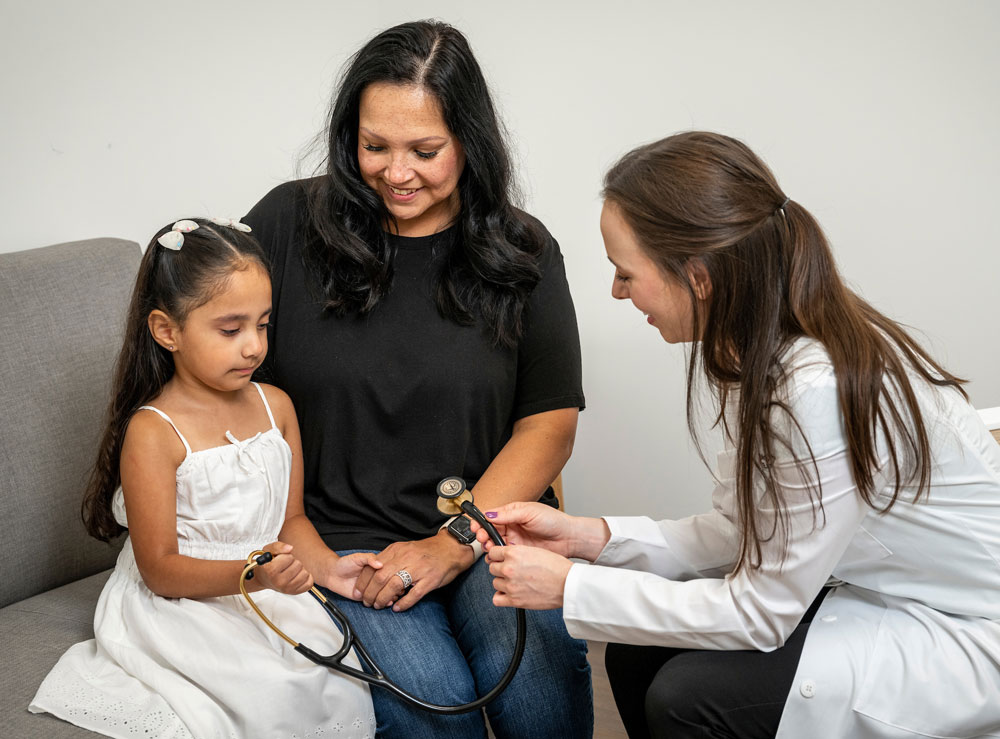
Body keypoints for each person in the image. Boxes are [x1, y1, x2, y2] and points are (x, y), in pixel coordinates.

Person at [472, 132, 1000, 739]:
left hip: (966, 629)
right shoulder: (761, 351)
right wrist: (587, 539)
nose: (618, 292)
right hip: (892, 592)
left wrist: (574, 589)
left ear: (697, 276)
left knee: (688, 698)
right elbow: (742, 530)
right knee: (635, 652)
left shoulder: (813, 389)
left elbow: (760, 613)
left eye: (625, 272)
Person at [243, 19, 593, 739]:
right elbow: (213, 370)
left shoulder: (523, 250)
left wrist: (453, 542)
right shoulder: (286, 223)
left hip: (485, 530)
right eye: (375, 146)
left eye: (425, 151)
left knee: (537, 687)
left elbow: (548, 423)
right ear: (351, 137)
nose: (397, 173)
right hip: (342, 547)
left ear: (471, 142)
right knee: (437, 707)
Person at [29, 218, 377, 738]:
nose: (254, 347)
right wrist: (254, 576)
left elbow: (291, 519)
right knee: (268, 695)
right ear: (168, 331)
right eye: (231, 329)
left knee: (339, 682)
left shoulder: (276, 406)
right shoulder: (154, 433)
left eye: (263, 325)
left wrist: (327, 568)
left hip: (260, 584)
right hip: (183, 603)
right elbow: (161, 571)